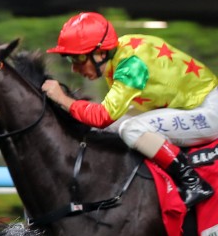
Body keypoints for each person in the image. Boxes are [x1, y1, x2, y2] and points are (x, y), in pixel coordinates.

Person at [42, 11, 218, 209]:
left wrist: (61, 98)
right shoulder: (122, 50)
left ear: (100, 53)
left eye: (78, 59)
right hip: (193, 104)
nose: (74, 69)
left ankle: (192, 182)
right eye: (69, 60)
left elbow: (102, 116)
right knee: (118, 126)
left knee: (131, 129)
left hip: (209, 110)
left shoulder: (131, 66)